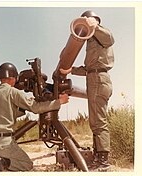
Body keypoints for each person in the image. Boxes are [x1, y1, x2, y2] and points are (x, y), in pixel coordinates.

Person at [0, 62, 69, 171]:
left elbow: (6, 113)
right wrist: (59, 102)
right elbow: (35, 108)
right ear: (13, 78)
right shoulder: (13, 92)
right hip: (3, 143)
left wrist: (25, 105)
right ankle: (1, 162)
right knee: (27, 164)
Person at [60, 10, 114, 171]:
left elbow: (110, 39)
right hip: (94, 78)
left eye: (88, 21)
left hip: (98, 80)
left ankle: (103, 161)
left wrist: (95, 26)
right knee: (95, 121)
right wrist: (71, 70)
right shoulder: (92, 42)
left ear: (94, 21)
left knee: (98, 121)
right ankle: (98, 157)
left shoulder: (102, 33)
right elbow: (88, 69)